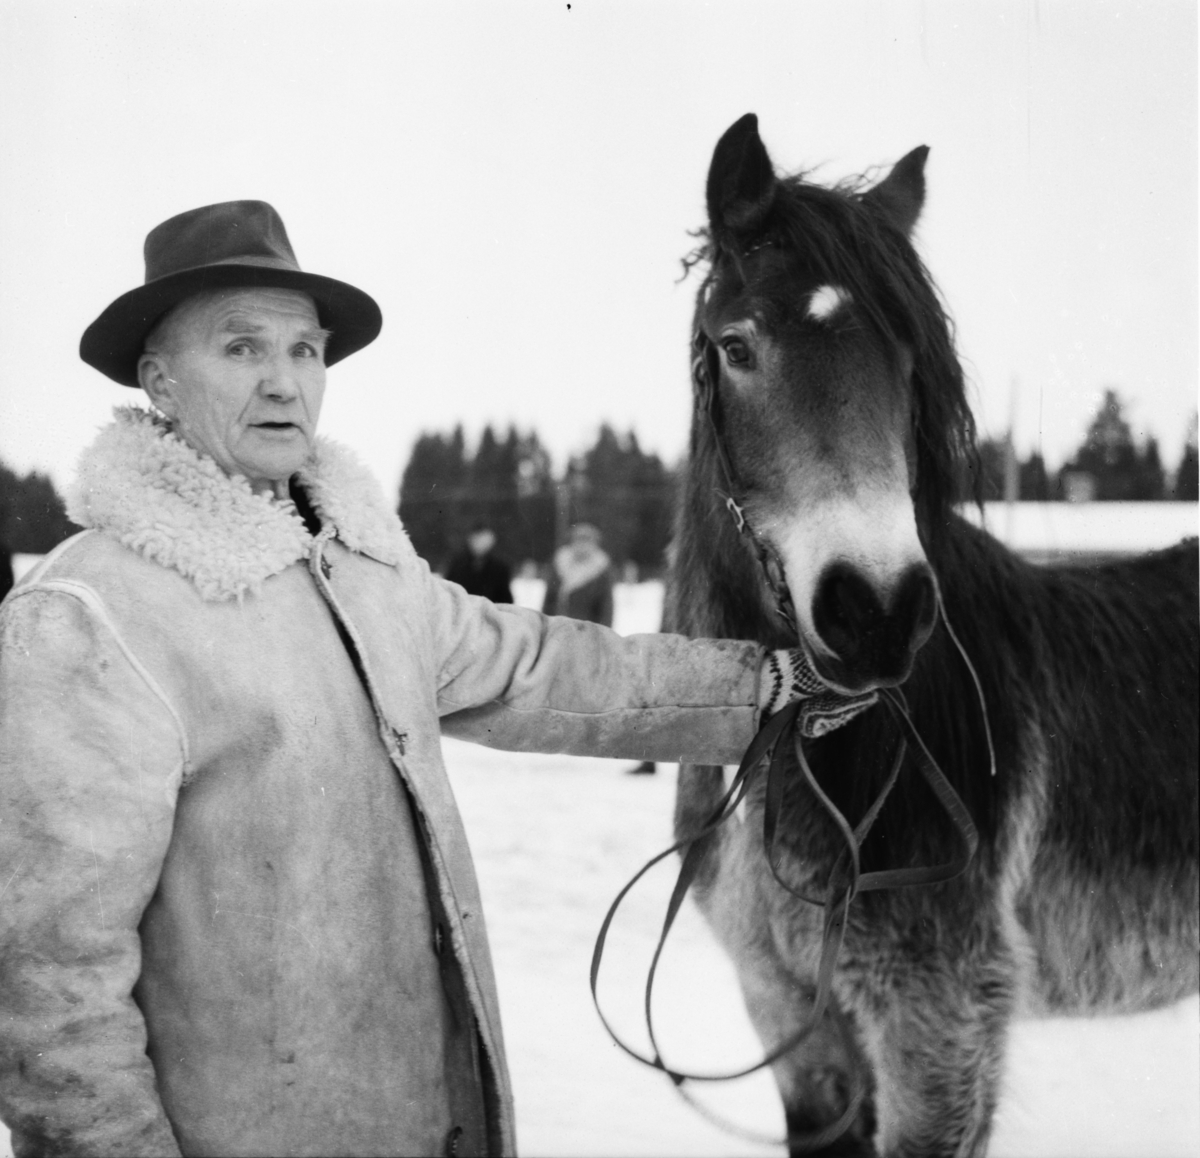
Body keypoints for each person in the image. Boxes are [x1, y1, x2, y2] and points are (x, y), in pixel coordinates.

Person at [0, 202, 872, 1158]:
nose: (286, 382)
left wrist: (772, 688)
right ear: (160, 383)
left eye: (305, 351)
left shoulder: (367, 574)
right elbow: (46, 986)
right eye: (242, 349)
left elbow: (545, 667)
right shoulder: (89, 617)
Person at [541, 522, 614, 626]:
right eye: (579, 540)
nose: (582, 545)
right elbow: (549, 601)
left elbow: (606, 609)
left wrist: (602, 636)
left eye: (587, 541)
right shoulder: (560, 564)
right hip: (557, 629)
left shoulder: (600, 570)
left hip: (586, 632)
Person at [445, 524, 514, 604]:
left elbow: (505, 600)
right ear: (470, 539)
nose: (479, 544)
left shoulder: (500, 568)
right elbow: (448, 592)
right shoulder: (457, 564)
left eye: (483, 540)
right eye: (477, 539)